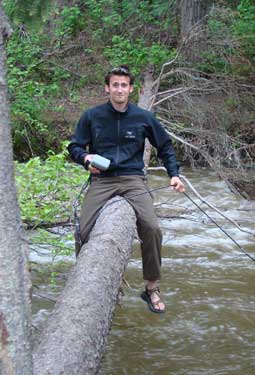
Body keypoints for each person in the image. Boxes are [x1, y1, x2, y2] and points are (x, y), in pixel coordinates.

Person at [68, 65, 185, 313]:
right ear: (107, 88)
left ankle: (151, 288)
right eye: (115, 85)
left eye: (124, 85)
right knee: (83, 230)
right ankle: (87, 283)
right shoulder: (92, 116)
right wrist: (86, 159)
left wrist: (174, 175)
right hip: (102, 180)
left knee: (152, 229)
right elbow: (74, 147)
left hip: (133, 180)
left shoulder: (144, 118)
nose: (119, 89)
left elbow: (165, 147)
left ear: (131, 89)